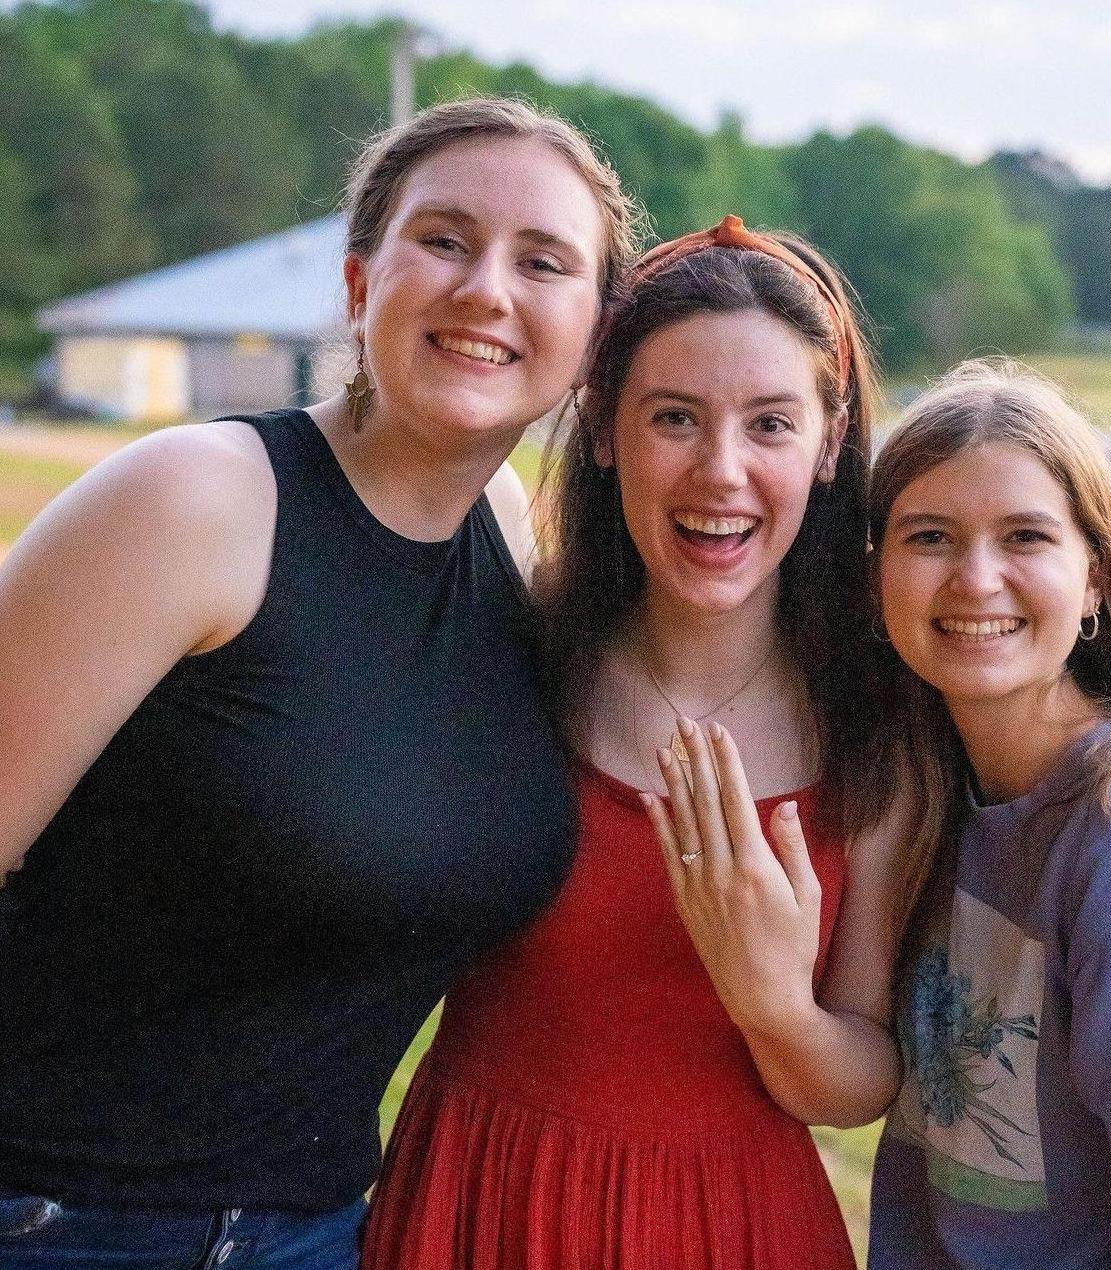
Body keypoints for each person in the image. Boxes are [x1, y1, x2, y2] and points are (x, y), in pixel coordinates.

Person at [0, 97, 641, 1267]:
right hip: (56, 1218)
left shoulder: (509, 547)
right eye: (443, 240)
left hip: (316, 1230)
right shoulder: (196, 501)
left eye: (542, 261)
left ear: (595, 336)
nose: (487, 288)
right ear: (358, 285)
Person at [362, 215, 904, 1270]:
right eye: (674, 418)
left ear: (828, 444)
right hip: (482, 1201)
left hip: (729, 1225)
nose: (719, 470)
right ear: (604, 428)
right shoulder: (507, 656)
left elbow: (859, 1082)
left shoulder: (875, 722)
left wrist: (773, 1007)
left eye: (770, 425)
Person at [864, 359, 1111, 1268]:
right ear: (876, 571)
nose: (976, 579)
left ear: (1093, 581)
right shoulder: (932, 794)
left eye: (1025, 538)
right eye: (929, 536)